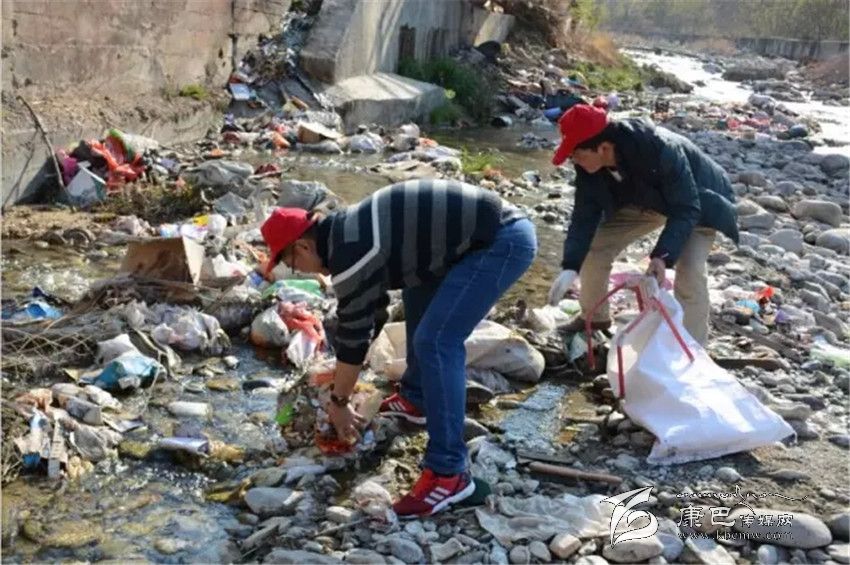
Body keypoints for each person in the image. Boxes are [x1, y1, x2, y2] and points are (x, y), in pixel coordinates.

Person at [261, 179, 537, 517]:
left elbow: (355, 334)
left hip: (500, 239)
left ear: (303, 246)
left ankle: (449, 473)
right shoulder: (342, 235)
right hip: (458, 243)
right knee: (416, 295)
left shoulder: (351, 254)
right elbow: (371, 313)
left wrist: (339, 401)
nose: (297, 271)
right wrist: (344, 370)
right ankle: (416, 399)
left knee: (437, 342)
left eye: (291, 264)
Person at [548, 104, 739, 345]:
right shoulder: (589, 166)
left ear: (603, 148)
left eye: (576, 154)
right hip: (647, 199)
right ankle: (594, 318)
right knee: (594, 247)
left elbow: (686, 208)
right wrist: (571, 265)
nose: (573, 160)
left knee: (690, 269)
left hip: (699, 200)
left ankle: (692, 347)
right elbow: (584, 216)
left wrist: (662, 256)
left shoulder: (660, 149)